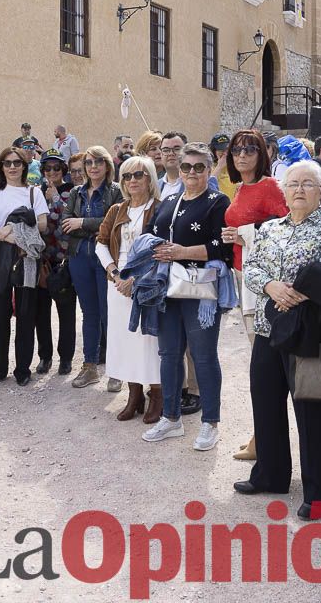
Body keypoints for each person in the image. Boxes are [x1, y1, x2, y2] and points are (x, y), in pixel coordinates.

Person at [236, 160, 321, 517]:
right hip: (267, 328)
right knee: (265, 402)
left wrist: (302, 291)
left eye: (309, 184)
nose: (300, 190)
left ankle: (320, 492)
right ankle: (270, 475)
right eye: (293, 184)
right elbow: (253, 267)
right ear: (284, 191)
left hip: (309, 333)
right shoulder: (270, 229)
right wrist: (271, 286)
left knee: (312, 412)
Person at [141, 143, 233, 452]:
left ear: (209, 170)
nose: (192, 173)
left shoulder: (217, 202)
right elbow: (152, 236)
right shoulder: (168, 200)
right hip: (167, 290)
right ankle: (171, 417)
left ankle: (210, 423)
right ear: (178, 170)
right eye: (186, 167)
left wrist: (182, 252)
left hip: (199, 290)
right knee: (168, 354)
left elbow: (224, 248)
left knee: (203, 356)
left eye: (199, 167)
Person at [220, 128, 287, 461]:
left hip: (263, 282)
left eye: (250, 149)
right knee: (260, 364)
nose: (242, 155)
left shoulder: (270, 186)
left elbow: (286, 226)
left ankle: (265, 439)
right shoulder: (240, 188)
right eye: (236, 150)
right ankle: (262, 435)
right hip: (242, 275)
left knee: (265, 367)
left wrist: (243, 234)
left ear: (263, 154)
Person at [97, 156, 163, 422]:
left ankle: (156, 394)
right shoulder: (117, 210)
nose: (132, 180)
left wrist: (136, 280)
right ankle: (133, 393)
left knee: (148, 341)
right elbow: (100, 243)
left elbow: (161, 248)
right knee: (124, 341)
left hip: (146, 283)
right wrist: (114, 274)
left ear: (149, 178)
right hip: (117, 284)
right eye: (127, 176)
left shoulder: (159, 208)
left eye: (138, 175)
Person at [0, 146, 48, 385]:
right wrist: (3, 235)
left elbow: (42, 224)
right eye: (7, 163)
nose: (12, 167)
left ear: (24, 166)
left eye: (17, 163)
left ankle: (22, 369)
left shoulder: (34, 193)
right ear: (1, 167)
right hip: (2, 253)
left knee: (26, 312)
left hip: (25, 254)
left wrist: (16, 229)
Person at [65, 146, 124, 389]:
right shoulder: (76, 193)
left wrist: (83, 223)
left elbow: (115, 222)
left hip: (106, 259)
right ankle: (90, 366)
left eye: (99, 162)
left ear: (108, 165)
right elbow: (65, 224)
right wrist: (90, 225)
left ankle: (117, 370)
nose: (93, 166)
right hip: (80, 257)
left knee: (110, 313)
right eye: (89, 162)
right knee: (89, 313)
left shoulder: (116, 191)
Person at [36, 149, 78, 375]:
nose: (52, 171)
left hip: (64, 261)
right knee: (41, 312)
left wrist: (55, 199)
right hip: (43, 260)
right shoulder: (36, 192)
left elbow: (66, 225)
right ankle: (45, 356)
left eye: (56, 167)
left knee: (66, 311)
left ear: (63, 170)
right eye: (48, 168)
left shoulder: (72, 192)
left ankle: (66, 357)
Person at [210, 133, 235, 202]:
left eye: (227, 149)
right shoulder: (209, 168)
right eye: (221, 150)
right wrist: (220, 166)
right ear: (214, 151)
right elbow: (208, 185)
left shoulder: (236, 167)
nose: (225, 153)